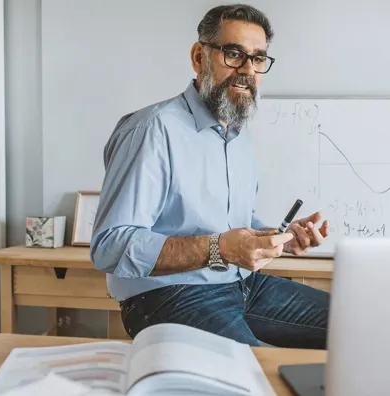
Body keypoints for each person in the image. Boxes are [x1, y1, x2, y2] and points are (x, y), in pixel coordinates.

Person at [90, 4, 330, 349]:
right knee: (255, 371)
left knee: (356, 326)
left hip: (242, 285)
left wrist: (281, 239)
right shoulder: (152, 130)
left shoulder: (239, 135)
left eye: (258, 59)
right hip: (167, 295)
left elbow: (236, 223)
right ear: (199, 56)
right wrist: (220, 249)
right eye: (234, 54)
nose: (247, 69)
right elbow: (110, 247)